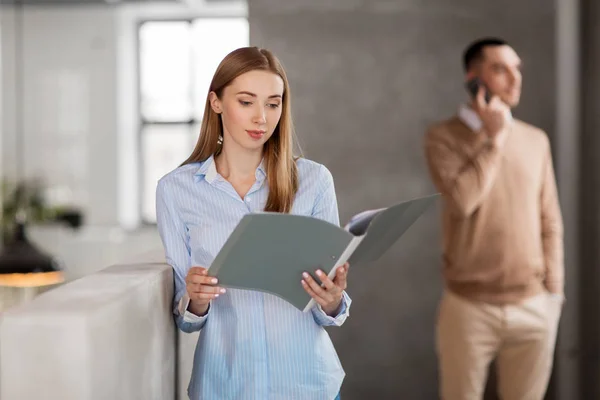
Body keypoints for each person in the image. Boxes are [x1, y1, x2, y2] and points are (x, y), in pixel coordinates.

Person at [155, 46, 350, 400]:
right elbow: (186, 318)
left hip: (308, 385)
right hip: (225, 386)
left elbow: (330, 309)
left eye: (273, 103)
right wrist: (196, 299)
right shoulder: (176, 190)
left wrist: (333, 299)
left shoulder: (314, 181)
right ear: (216, 102)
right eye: (246, 102)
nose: (261, 117)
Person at [423, 37, 564, 400]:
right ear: (474, 77)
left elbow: (550, 220)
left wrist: (554, 296)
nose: (515, 79)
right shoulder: (442, 138)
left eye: (517, 68)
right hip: (469, 309)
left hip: (534, 307)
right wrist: (496, 140)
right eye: (501, 69)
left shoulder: (536, 140)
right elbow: (464, 201)